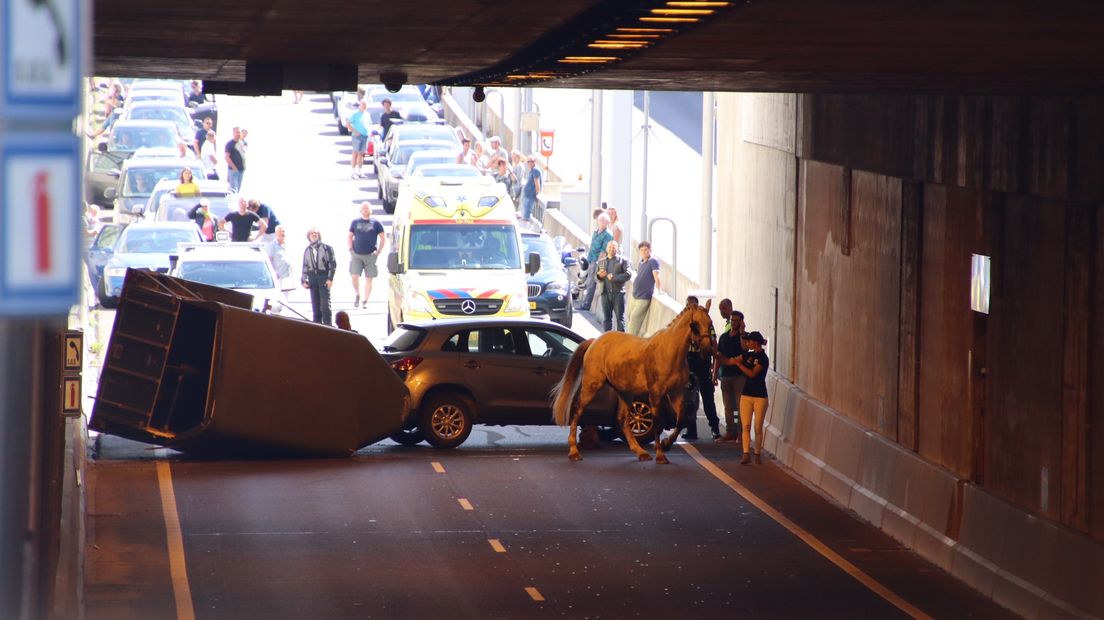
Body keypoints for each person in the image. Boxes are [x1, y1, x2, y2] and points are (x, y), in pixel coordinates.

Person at [685, 295, 722, 441]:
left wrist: (713, 368)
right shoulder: (684, 323)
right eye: (689, 305)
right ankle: (691, 430)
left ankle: (714, 428)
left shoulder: (705, 323)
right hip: (689, 364)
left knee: (708, 399)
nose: (691, 308)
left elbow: (714, 343)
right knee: (690, 399)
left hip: (703, 363)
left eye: (694, 305)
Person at [732, 331, 770, 464]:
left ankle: (757, 454)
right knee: (746, 425)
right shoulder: (749, 355)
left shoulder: (763, 358)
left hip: (760, 396)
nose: (747, 343)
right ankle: (746, 453)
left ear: (756, 342)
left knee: (757, 427)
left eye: (749, 341)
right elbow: (733, 359)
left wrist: (738, 364)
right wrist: (720, 357)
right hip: (746, 395)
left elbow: (752, 373)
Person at [714, 307, 747, 443]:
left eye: (736, 321)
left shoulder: (744, 337)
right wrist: (715, 374)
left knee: (740, 406)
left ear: (741, 323)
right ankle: (730, 432)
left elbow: (745, 349)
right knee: (728, 405)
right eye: (732, 320)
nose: (733, 323)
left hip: (739, 376)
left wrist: (742, 332)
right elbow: (718, 356)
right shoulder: (724, 337)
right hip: (726, 376)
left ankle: (740, 433)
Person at [348, 202, 385, 309]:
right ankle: (357, 294)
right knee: (354, 276)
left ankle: (365, 300)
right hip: (356, 254)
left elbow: (383, 238)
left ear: (370, 210)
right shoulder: (355, 222)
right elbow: (349, 236)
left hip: (370, 255)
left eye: (367, 208)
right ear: (360, 210)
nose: (365, 210)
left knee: (369, 278)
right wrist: (350, 249)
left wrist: (378, 251)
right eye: (363, 208)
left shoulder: (376, 223)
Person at [576, 211, 613, 312]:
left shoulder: (607, 235)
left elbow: (604, 251)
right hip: (590, 259)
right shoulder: (596, 231)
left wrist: (598, 263)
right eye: (600, 220)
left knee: (591, 283)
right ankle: (584, 303)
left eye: (603, 221)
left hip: (596, 261)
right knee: (587, 281)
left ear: (607, 223)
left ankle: (586, 305)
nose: (601, 222)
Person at [301, 228, 337, 325]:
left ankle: (328, 326)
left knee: (325, 305)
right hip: (313, 279)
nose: (314, 234)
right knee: (315, 306)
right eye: (311, 233)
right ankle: (317, 327)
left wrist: (330, 279)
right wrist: (303, 280)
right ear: (308, 236)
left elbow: (332, 264)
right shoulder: (307, 250)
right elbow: (305, 266)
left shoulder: (327, 248)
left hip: (323, 277)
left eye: (315, 233)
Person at [596, 240, 632, 332]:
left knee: (620, 319)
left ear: (617, 249)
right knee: (607, 318)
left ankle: (621, 342)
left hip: (618, 294)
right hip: (605, 293)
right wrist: (599, 276)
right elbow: (595, 278)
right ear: (607, 249)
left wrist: (614, 277)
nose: (612, 249)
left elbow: (628, 275)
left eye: (614, 247)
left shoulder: (623, 260)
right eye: (610, 247)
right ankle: (607, 340)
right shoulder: (601, 262)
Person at [627, 240, 661, 336]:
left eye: (646, 250)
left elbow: (656, 277)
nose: (643, 252)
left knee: (635, 318)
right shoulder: (641, 262)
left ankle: (630, 339)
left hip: (644, 297)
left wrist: (659, 290)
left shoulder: (653, 261)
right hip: (635, 295)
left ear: (650, 250)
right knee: (630, 315)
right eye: (641, 250)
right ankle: (628, 336)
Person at [265, 225, 293, 293]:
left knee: (286, 296)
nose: (282, 233)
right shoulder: (272, 245)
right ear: (276, 233)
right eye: (280, 231)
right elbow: (269, 260)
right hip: (278, 276)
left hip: (287, 276)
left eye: (283, 231)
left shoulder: (288, 244)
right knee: (279, 296)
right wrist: (274, 272)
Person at [347, 100, 370, 179]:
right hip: (356, 136)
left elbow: (368, 124)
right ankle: (353, 172)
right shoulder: (355, 114)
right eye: (363, 105)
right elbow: (348, 123)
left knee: (361, 154)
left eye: (365, 105)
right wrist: (355, 131)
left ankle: (360, 172)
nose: (364, 106)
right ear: (360, 105)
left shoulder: (367, 114)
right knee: (355, 153)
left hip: (365, 136)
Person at [520, 155, 542, 223]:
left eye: (531, 161)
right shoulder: (531, 171)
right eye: (528, 162)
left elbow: (537, 183)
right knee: (524, 214)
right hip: (527, 196)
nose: (529, 163)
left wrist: (538, 194)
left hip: (530, 197)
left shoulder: (535, 170)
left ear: (535, 162)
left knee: (526, 217)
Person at [224, 127, 246, 191]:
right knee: (233, 189)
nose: (238, 134)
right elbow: (226, 157)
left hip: (241, 170)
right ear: (233, 133)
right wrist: (234, 167)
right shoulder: (230, 144)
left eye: (239, 132)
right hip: (233, 171)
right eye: (236, 132)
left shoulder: (242, 143)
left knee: (238, 189)